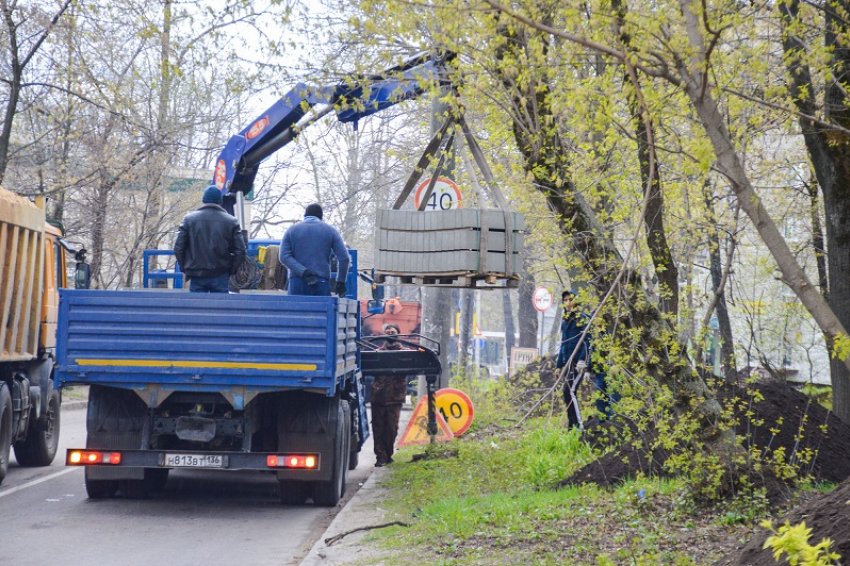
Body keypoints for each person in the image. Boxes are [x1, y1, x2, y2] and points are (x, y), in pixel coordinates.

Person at [555, 290, 618, 428]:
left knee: (570, 391)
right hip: (568, 362)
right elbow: (563, 344)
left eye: (570, 299)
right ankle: (572, 424)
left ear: (576, 301)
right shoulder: (565, 322)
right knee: (567, 392)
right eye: (565, 300)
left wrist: (583, 361)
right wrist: (558, 365)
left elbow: (587, 342)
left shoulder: (583, 319)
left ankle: (578, 425)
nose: (567, 303)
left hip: (579, 363)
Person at [174, 185, 246, 293]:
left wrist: (185, 268)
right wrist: (231, 269)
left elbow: (179, 248)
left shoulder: (189, 219)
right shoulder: (231, 221)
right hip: (221, 274)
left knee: (196, 308)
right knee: (219, 308)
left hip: (196, 274)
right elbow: (240, 250)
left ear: (204, 200)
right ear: (220, 202)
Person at [279, 203, 350, 297]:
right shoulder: (330, 231)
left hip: (297, 282)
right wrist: (341, 281)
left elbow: (284, 257)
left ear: (305, 216)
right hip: (321, 283)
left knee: (296, 311)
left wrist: (303, 272)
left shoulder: (291, 230)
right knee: (323, 311)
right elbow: (344, 258)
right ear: (321, 217)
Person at [371, 323, 408, 467]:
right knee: (378, 428)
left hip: (395, 396)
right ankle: (380, 457)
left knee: (392, 428)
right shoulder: (378, 353)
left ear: (398, 334)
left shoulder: (405, 353)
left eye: (393, 331)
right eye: (388, 332)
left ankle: (388, 453)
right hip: (378, 396)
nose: (390, 334)